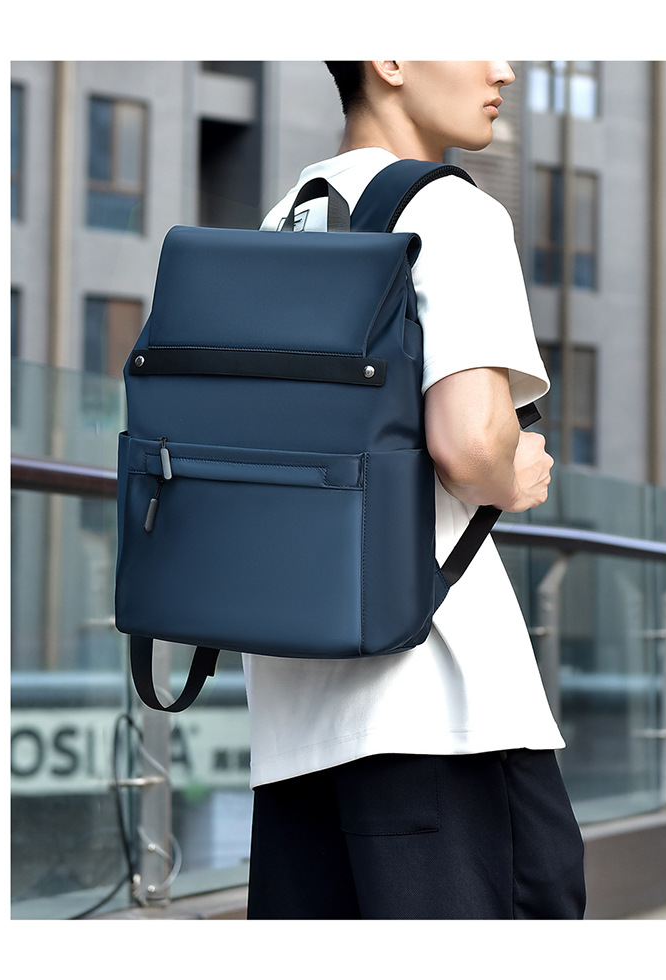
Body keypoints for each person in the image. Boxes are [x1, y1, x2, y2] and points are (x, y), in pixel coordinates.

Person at [243, 61, 586, 920]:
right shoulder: (452, 212)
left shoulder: (285, 218)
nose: (503, 68)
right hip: (441, 708)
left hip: (293, 727)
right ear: (389, 57)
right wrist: (516, 473)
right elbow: (470, 445)